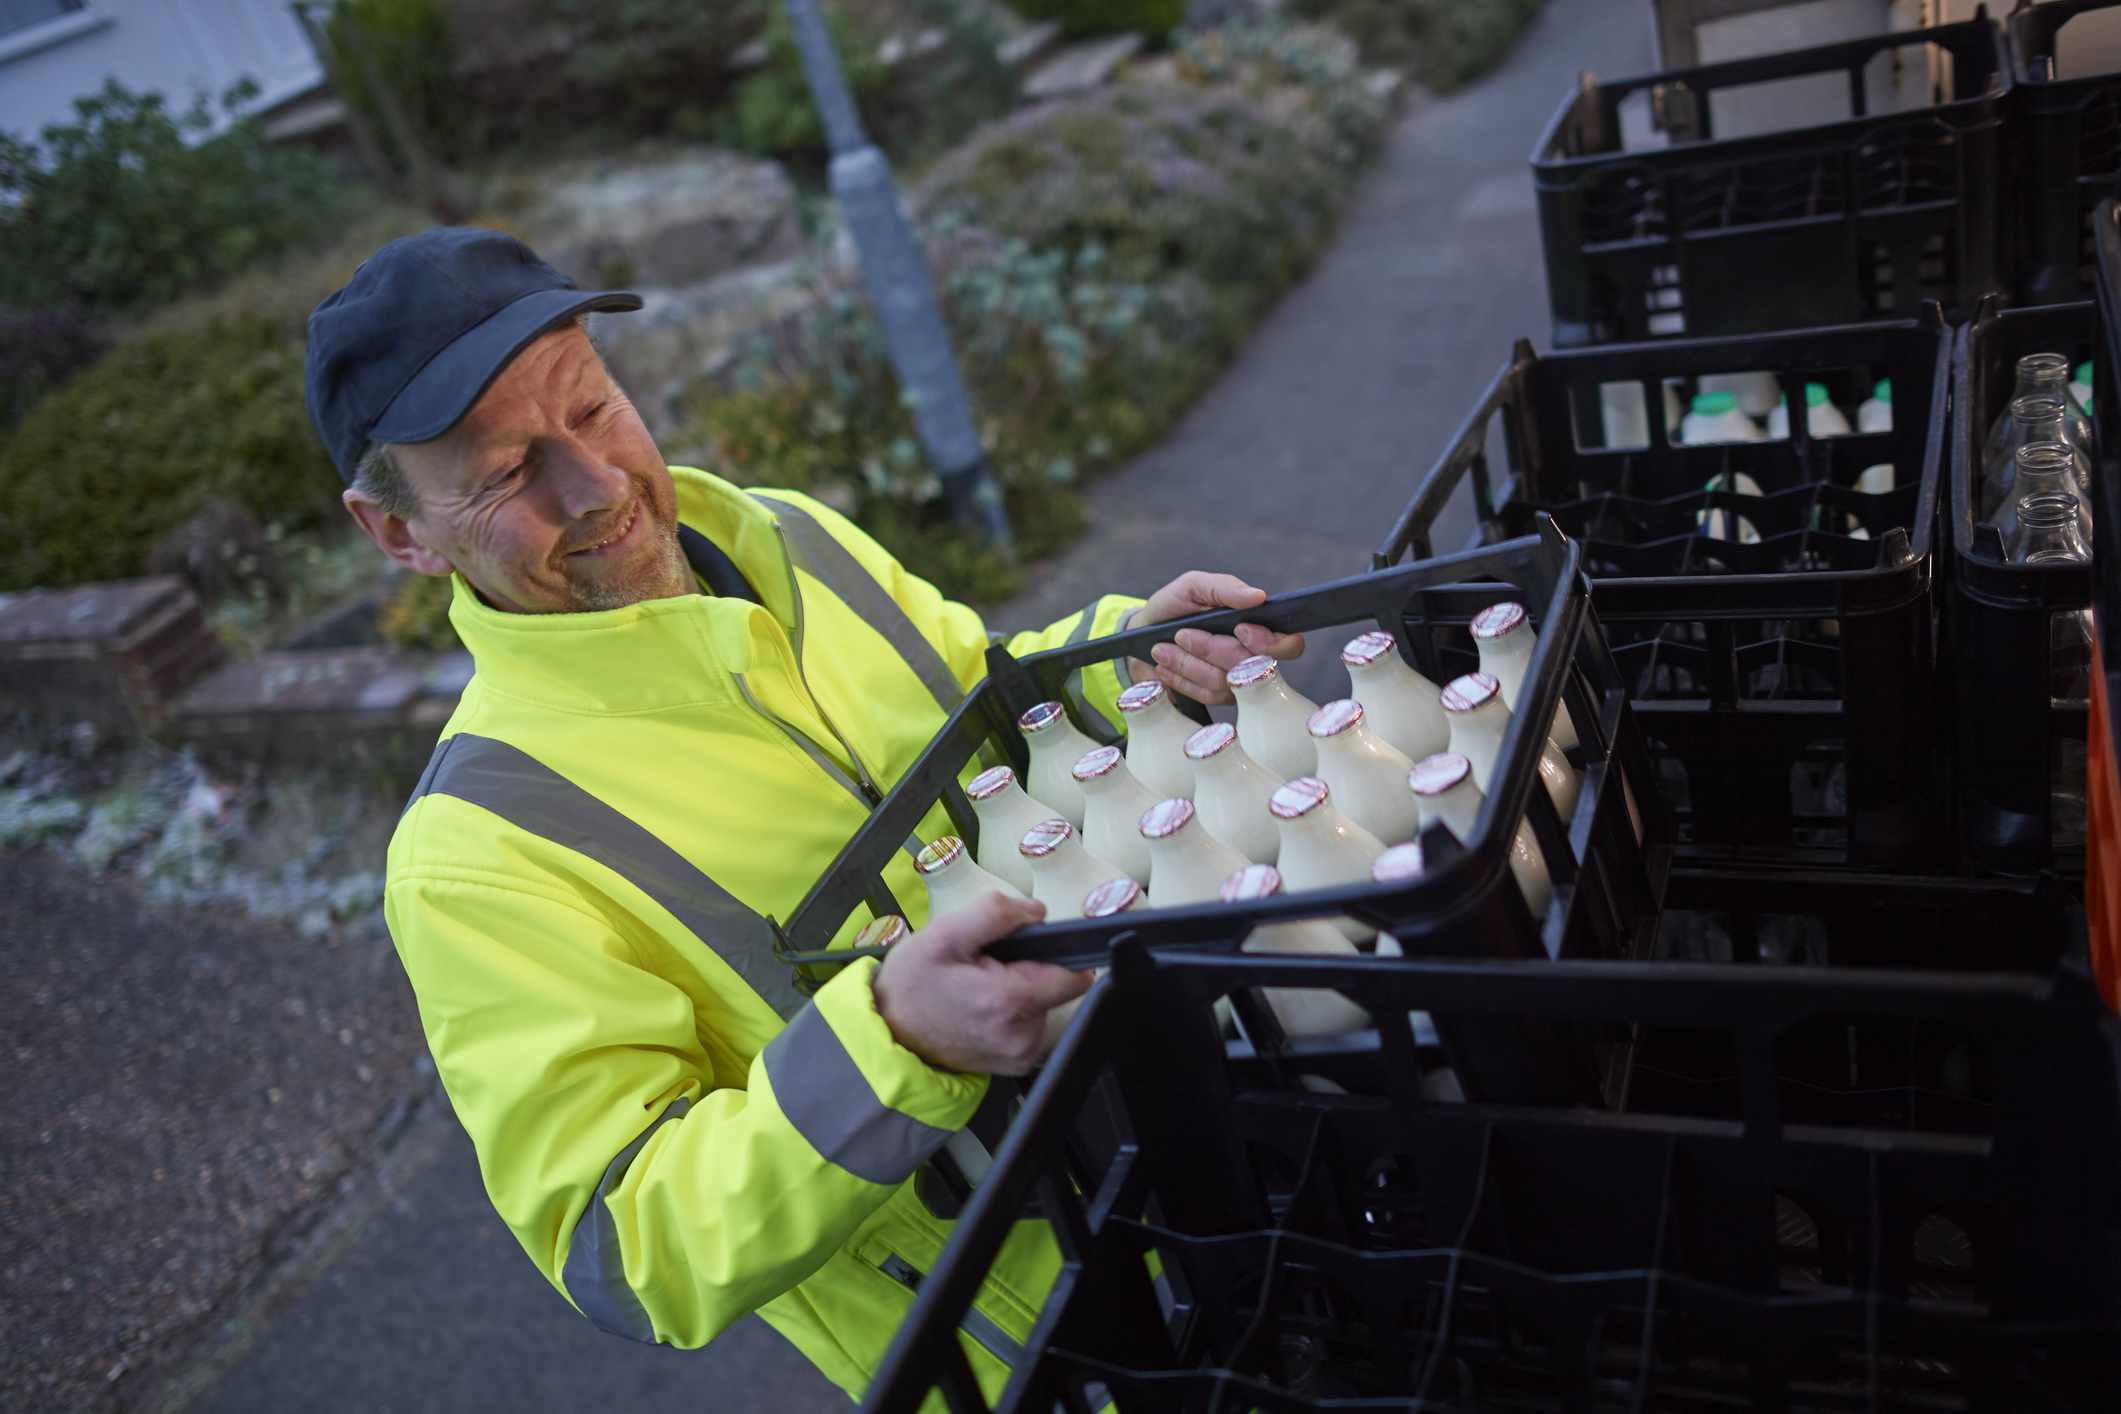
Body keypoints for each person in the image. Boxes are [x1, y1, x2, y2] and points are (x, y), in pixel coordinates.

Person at [305, 227, 1304, 1400]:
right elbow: (626, 1247)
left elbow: (983, 692)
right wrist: (896, 1041)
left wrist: (1129, 656)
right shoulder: (475, 857)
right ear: (397, 533)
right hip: (1064, 1342)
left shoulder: (787, 535)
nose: (597, 484)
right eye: (509, 471)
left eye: (591, 407)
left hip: (1228, 1109)